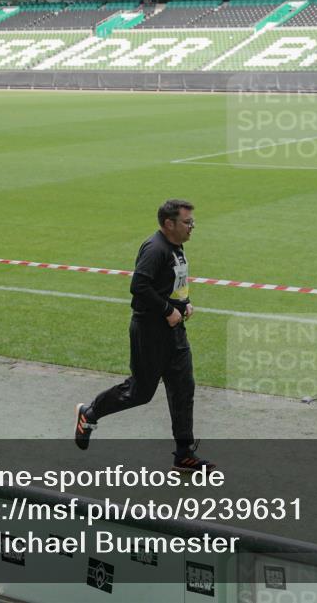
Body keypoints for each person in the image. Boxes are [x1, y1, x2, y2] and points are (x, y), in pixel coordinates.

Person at [75, 199, 214, 472]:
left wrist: (183, 304)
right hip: (150, 332)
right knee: (140, 392)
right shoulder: (155, 248)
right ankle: (89, 413)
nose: (192, 226)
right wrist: (167, 310)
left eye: (192, 222)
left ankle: (184, 454)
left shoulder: (176, 246)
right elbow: (139, 286)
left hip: (174, 332)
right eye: (187, 222)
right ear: (169, 224)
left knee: (183, 389)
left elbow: (171, 283)